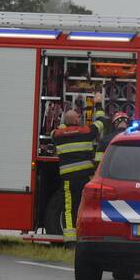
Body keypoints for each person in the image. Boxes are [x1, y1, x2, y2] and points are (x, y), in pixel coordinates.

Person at [52, 93, 106, 242]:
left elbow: (58, 129)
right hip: (85, 178)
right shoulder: (87, 132)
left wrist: (66, 119)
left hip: (68, 180)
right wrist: (98, 103)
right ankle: (86, 236)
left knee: (69, 208)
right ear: (77, 120)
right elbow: (101, 122)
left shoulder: (57, 135)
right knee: (87, 206)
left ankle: (70, 240)